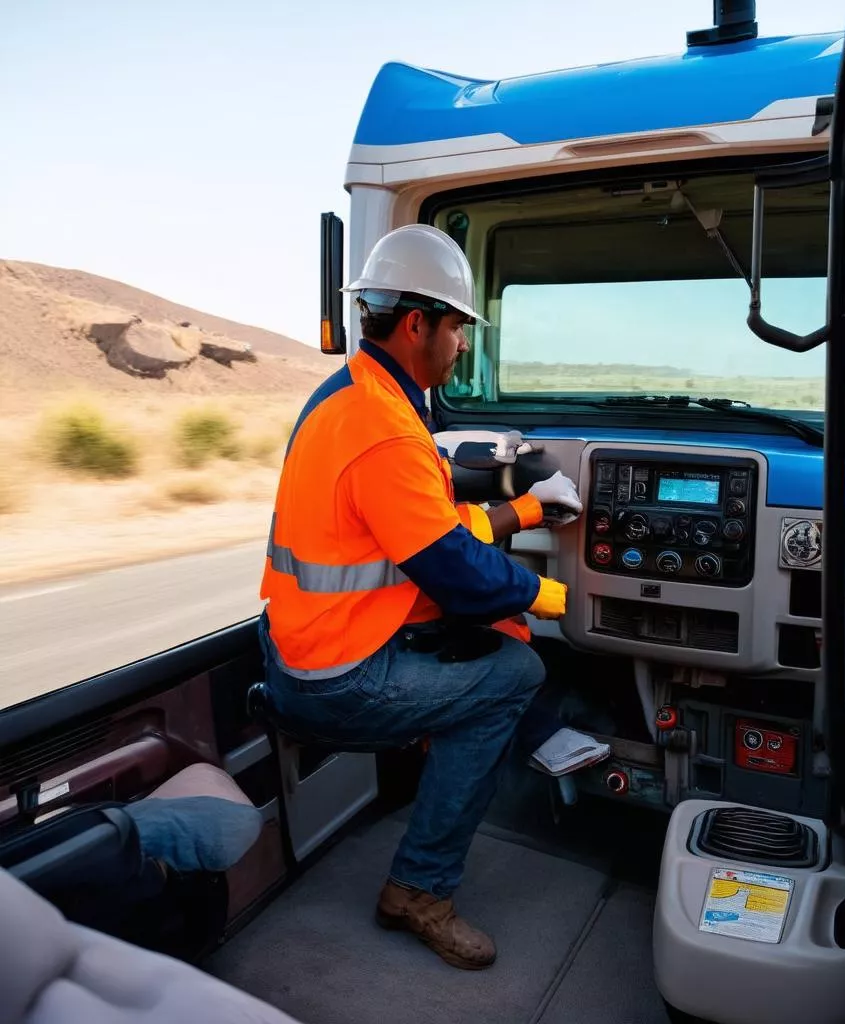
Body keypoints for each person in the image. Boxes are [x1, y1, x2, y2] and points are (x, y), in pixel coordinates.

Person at [257, 224, 583, 971]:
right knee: (516, 675)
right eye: (458, 327)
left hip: (300, 644)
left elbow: (424, 533)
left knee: (493, 639)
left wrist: (528, 510)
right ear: (417, 325)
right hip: (336, 677)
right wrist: (554, 598)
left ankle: (454, 750)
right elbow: (458, 574)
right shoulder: (389, 432)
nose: (462, 344)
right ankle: (420, 890)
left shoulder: (345, 398)